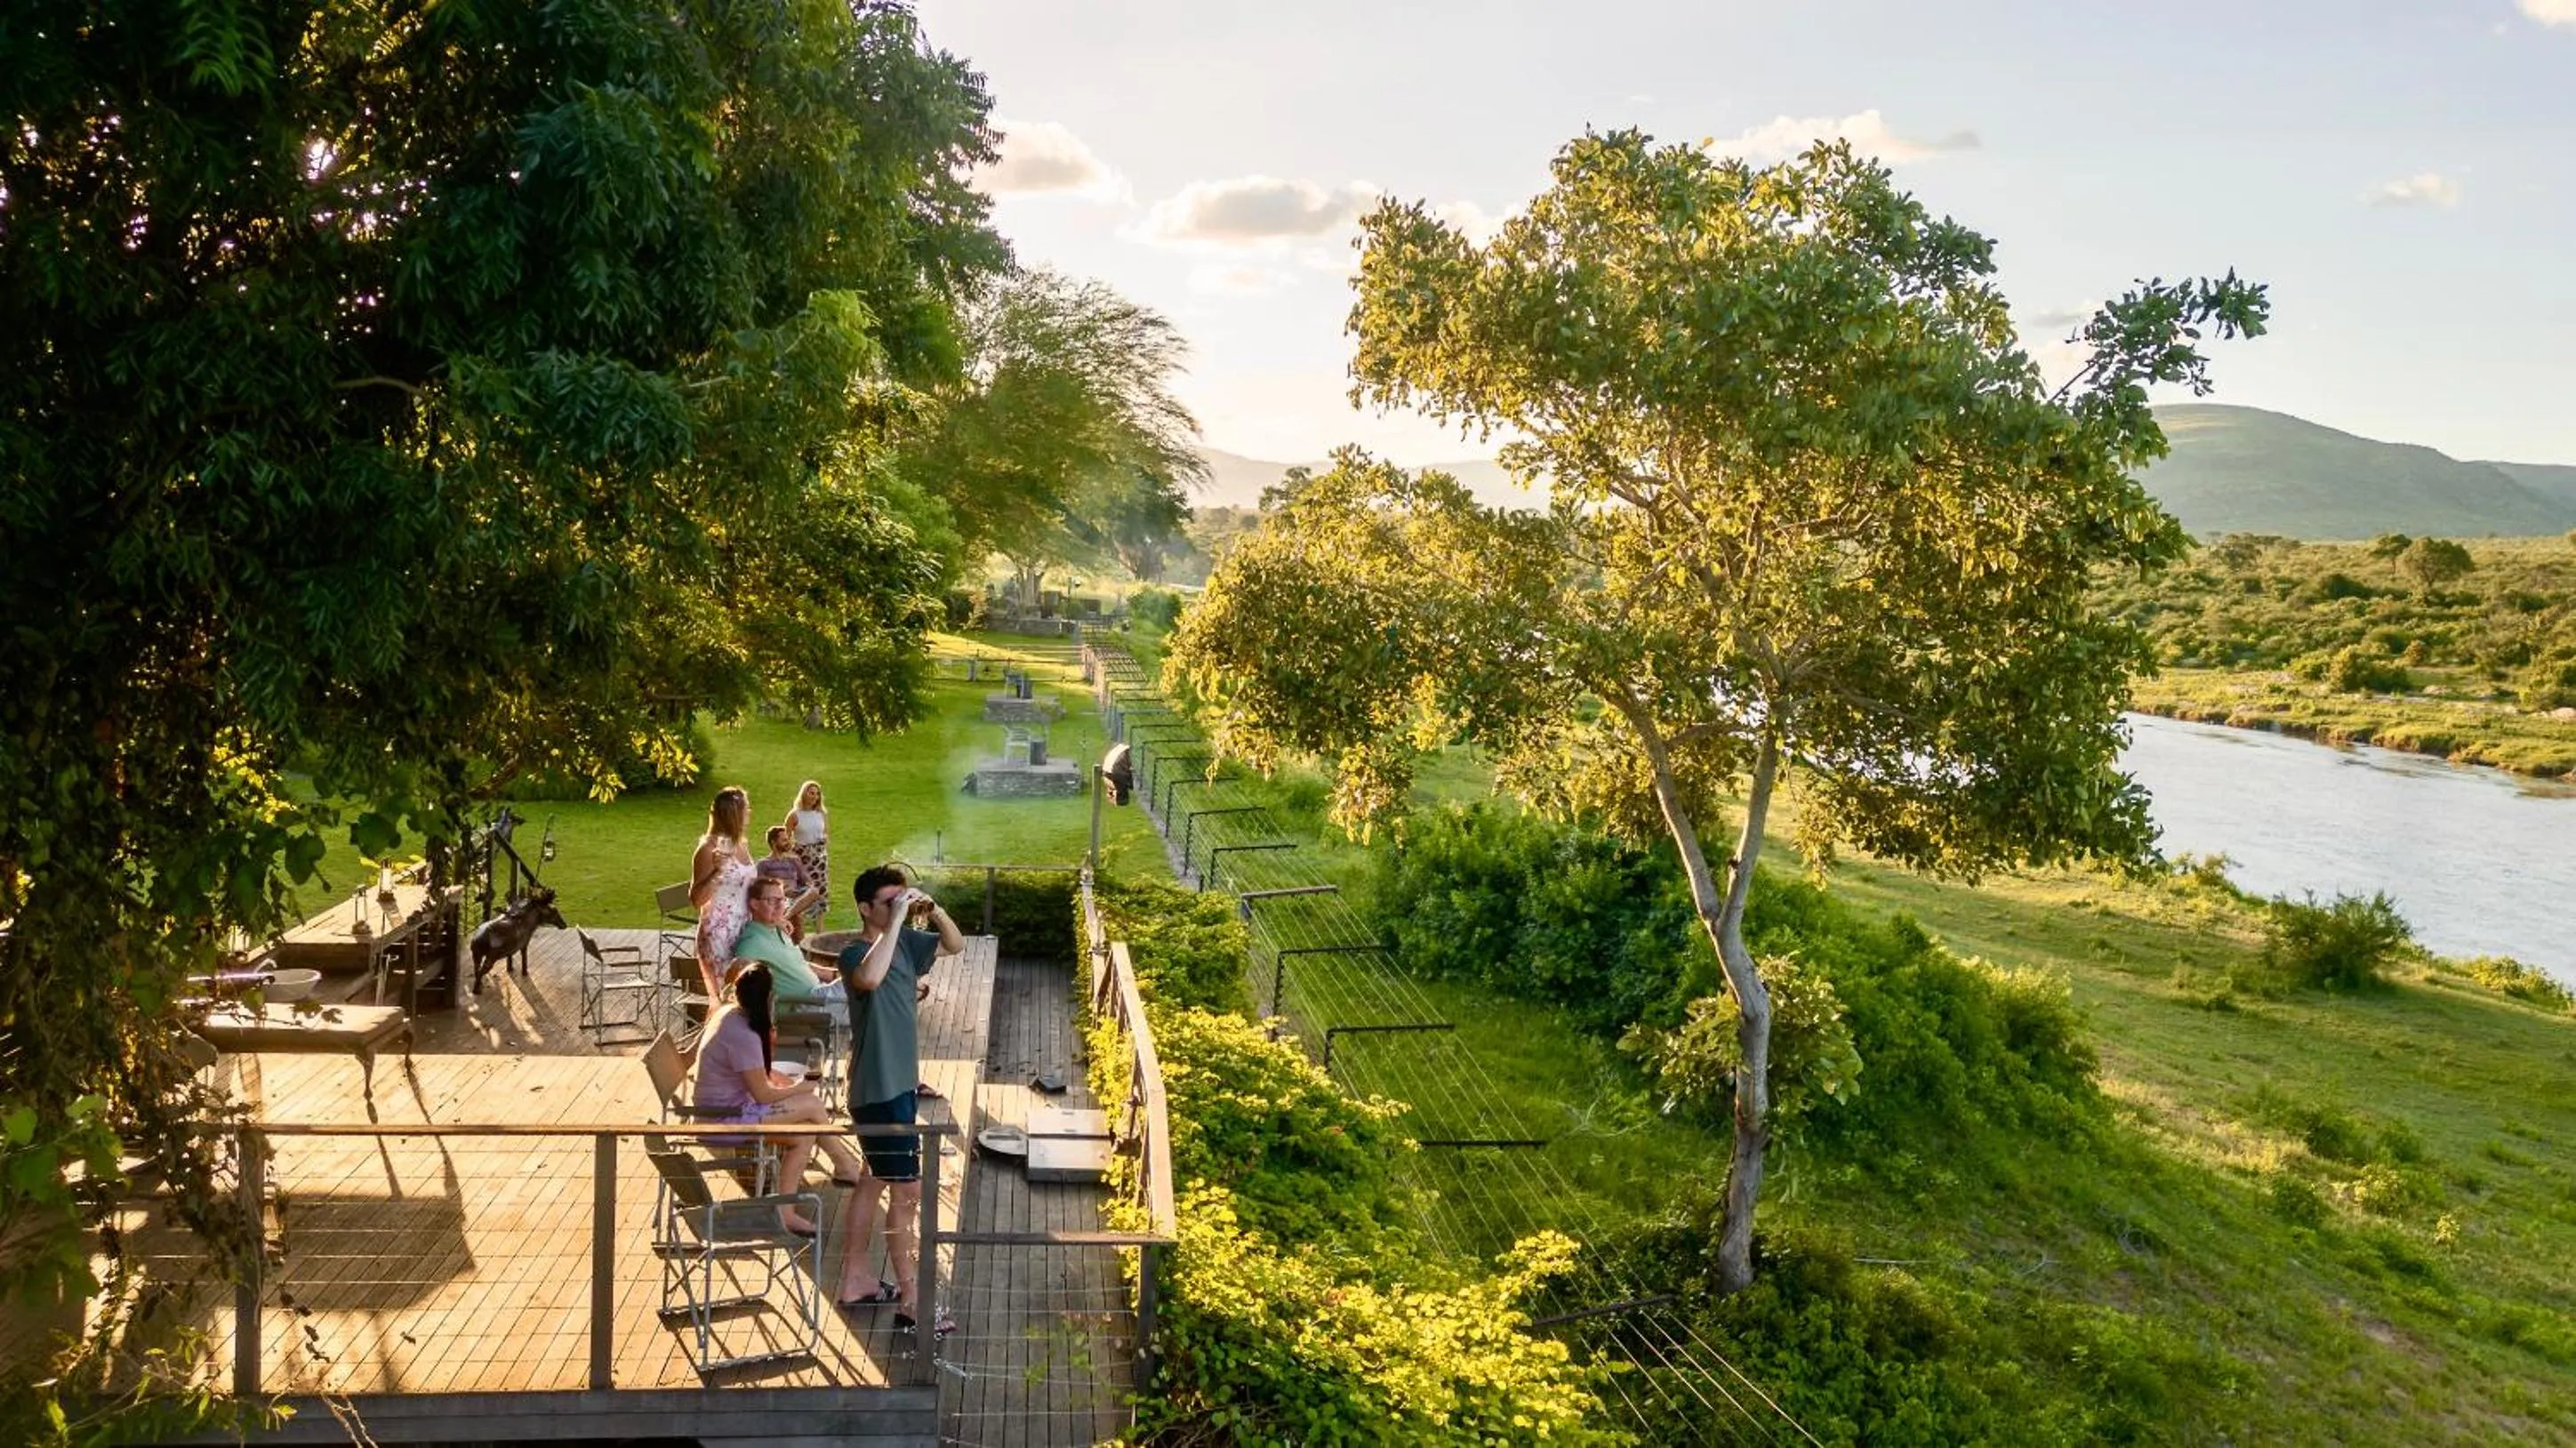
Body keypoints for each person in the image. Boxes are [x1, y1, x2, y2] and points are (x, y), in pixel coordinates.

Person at [833, 865, 964, 1333]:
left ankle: (856, 1279)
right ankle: (913, 1300)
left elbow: (954, 944)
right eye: (889, 902)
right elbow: (869, 978)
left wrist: (934, 907)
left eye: (900, 899)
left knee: (872, 1181)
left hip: (899, 1085)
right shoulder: (853, 954)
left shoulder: (905, 942)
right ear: (865, 908)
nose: (898, 908)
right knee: (906, 1194)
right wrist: (896, 923)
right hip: (879, 1090)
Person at [689, 963, 869, 1236]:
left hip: (727, 1109)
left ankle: (787, 1212)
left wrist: (789, 1084)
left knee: (805, 1134)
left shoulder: (729, 1014)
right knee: (811, 1103)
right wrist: (799, 1087)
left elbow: (753, 1071)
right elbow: (763, 1094)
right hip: (723, 1120)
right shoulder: (744, 1035)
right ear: (768, 999)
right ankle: (844, 1165)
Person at [689, 786, 757, 999]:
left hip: (744, 928)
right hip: (719, 932)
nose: (749, 812)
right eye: (746, 809)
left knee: (744, 995)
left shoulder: (741, 844)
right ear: (734, 814)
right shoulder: (708, 849)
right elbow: (697, 899)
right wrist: (717, 872)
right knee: (724, 996)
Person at [755, 826, 822, 942]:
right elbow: (759, 887)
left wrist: (800, 887)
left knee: (814, 891)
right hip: (778, 898)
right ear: (773, 842)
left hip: (796, 897)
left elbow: (808, 882)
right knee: (797, 916)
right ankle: (798, 945)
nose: (788, 843)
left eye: (788, 839)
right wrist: (780, 887)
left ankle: (785, 917)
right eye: (784, 840)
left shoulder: (793, 861)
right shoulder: (764, 864)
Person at [783, 781, 830, 932]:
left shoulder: (821, 814)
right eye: (811, 793)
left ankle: (819, 932)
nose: (815, 797)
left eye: (817, 794)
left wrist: (824, 841)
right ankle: (798, 931)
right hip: (802, 859)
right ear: (804, 794)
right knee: (802, 893)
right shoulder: (794, 814)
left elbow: (826, 833)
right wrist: (793, 856)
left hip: (819, 860)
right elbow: (785, 839)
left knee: (820, 893)